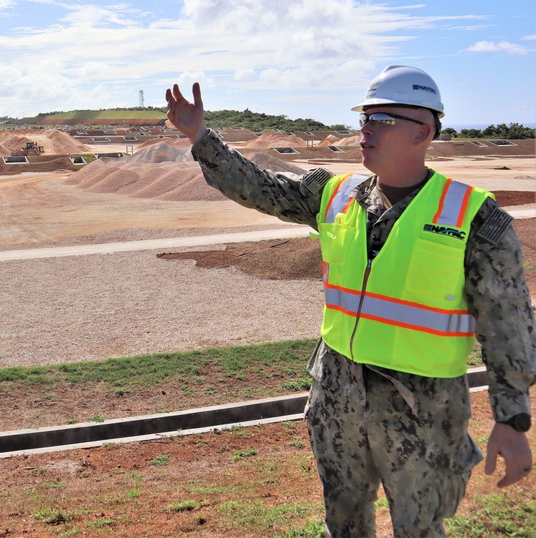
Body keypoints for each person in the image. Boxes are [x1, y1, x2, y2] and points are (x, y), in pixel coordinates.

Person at [165, 65, 534, 537]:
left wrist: (512, 419)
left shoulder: (474, 218)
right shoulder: (336, 195)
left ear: (423, 130)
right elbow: (259, 188)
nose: (364, 129)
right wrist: (201, 136)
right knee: (343, 521)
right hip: (338, 397)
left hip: (422, 411)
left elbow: (510, 326)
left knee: (419, 529)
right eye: (364, 118)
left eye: (381, 119)